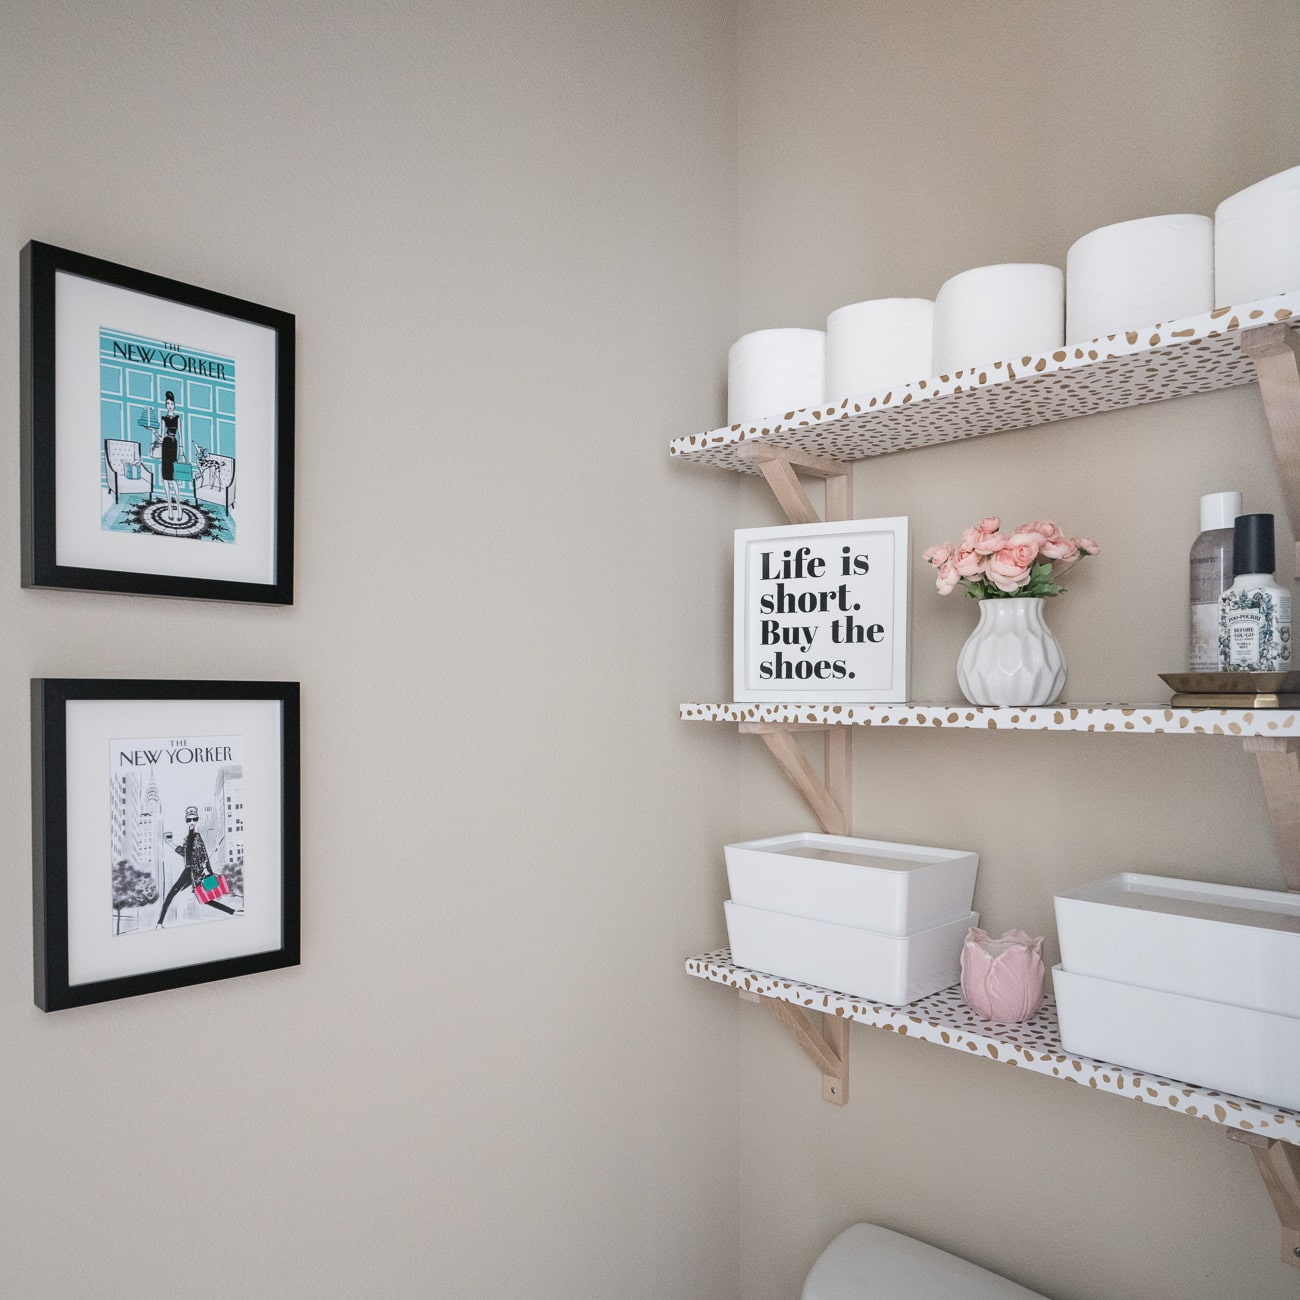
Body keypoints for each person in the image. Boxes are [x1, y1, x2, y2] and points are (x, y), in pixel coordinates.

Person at [155, 805, 234, 927]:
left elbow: (204, 855)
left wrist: (209, 872)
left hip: (196, 873)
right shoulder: (187, 839)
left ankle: (232, 911)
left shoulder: (196, 837)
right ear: (186, 821)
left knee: (203, 899)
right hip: (188, 871)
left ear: (197, 820)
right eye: (189, 820)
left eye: (194, 819)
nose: (191, 822)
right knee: (173, 894)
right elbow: (184, 853)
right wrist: (170, 844)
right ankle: (159, 923)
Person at [155, 391, 184, 523]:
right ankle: (170, 508)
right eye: (167, 403)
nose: (169, 405)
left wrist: (182, 451)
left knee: (173, 479)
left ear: (175, 404)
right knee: (165, 479)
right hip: (165, 446)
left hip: (173, 446)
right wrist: (155, 433)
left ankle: (179, 507)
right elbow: (161, 436)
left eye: (171, 403)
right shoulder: (163, 418)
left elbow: (181, 436)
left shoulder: (178, 418)